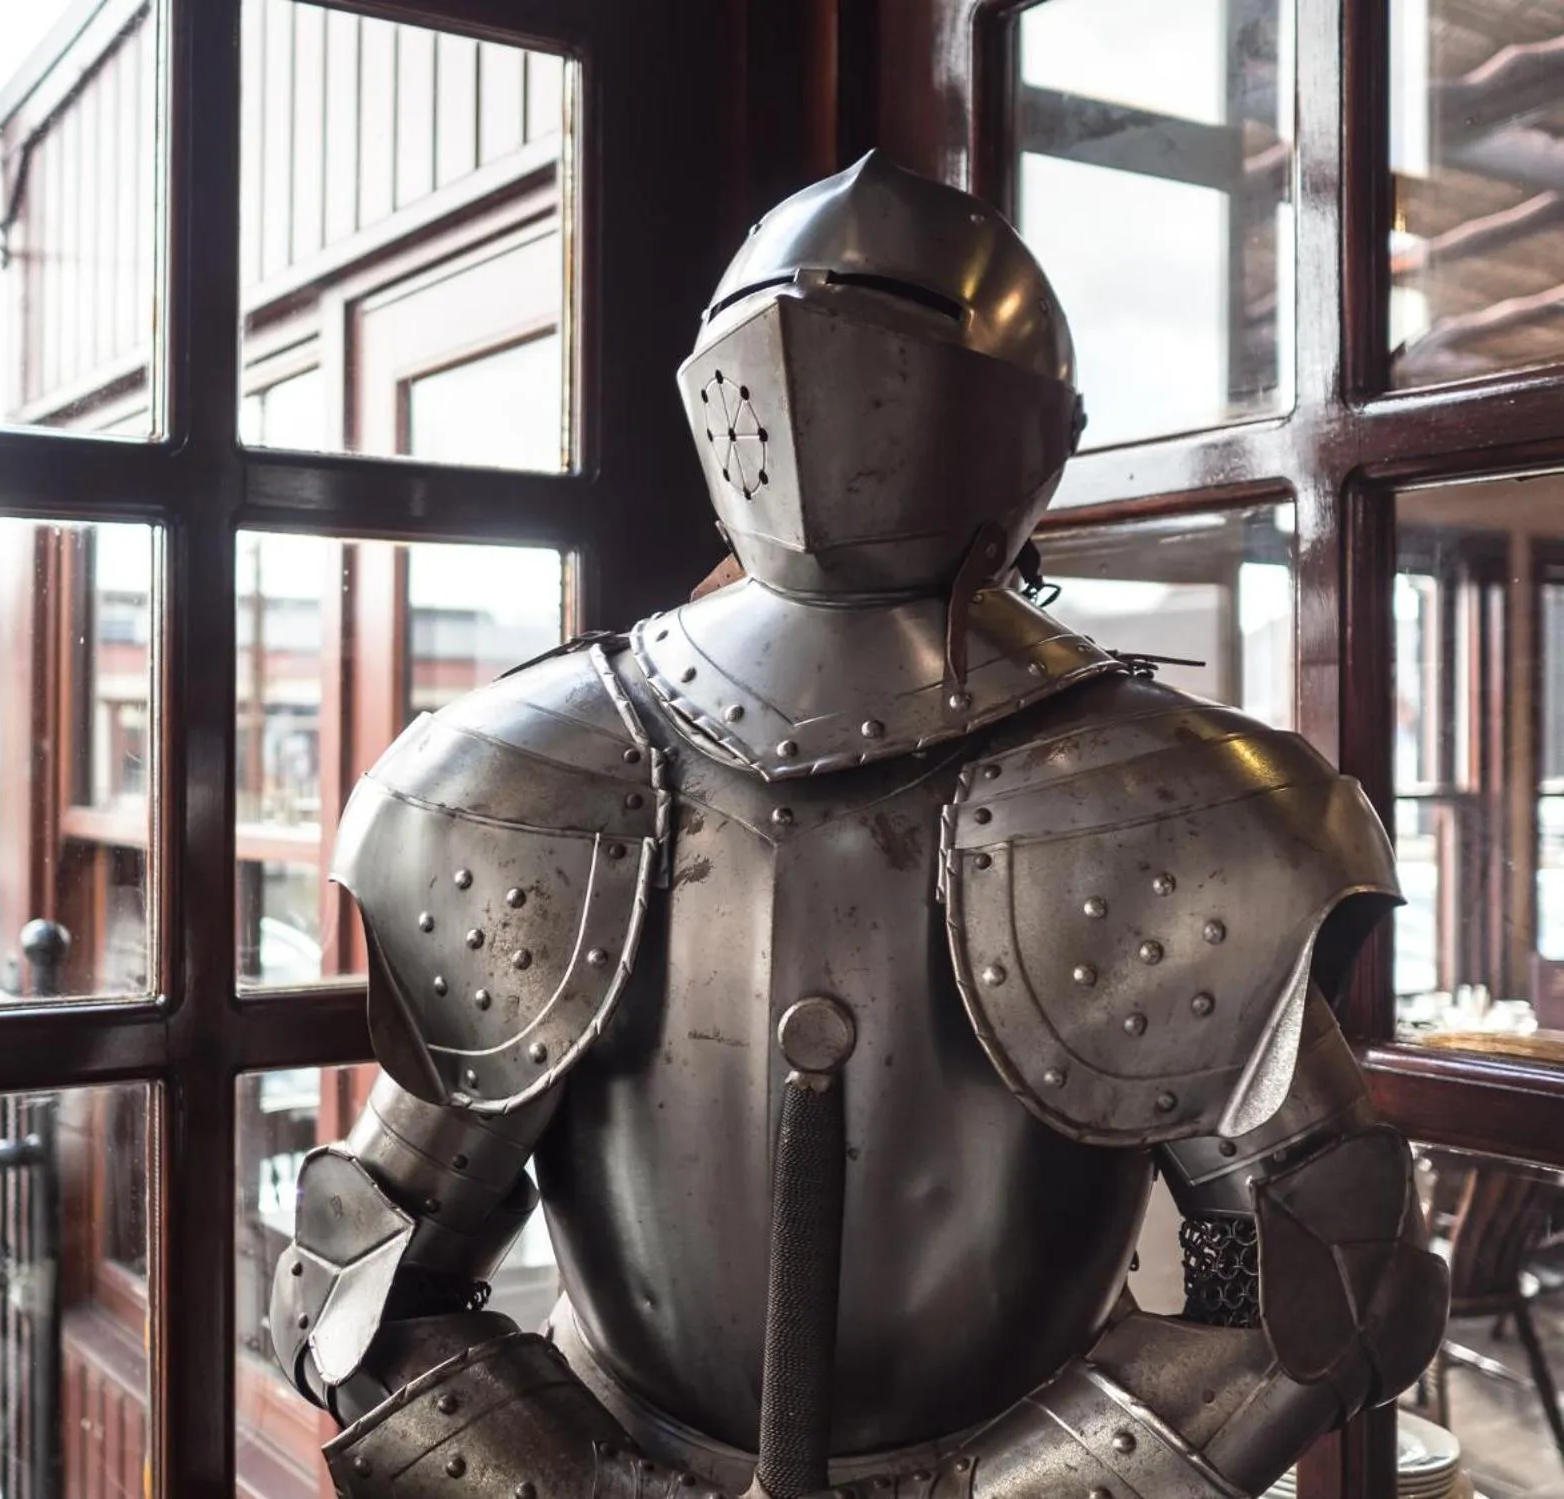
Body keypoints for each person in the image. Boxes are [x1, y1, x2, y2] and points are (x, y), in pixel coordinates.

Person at [268, 152, 1448, 1499]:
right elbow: (362, 1281)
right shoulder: (1186, 789)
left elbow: (1325, 1284)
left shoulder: (517, 764)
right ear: (1037, 441)